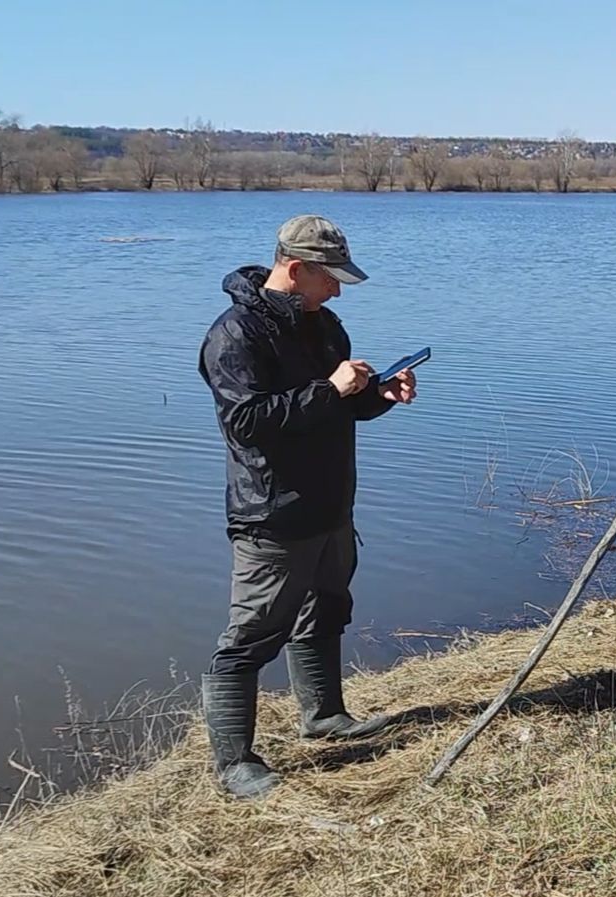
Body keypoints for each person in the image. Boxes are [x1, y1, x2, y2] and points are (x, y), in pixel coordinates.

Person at [196, 214, 417, 799]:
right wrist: (330, 388)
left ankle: (324, 716)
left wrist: (377, 395)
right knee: (251, 635)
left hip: (330, 505)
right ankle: (234, 764)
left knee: (325, 610)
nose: (338, 291)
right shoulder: (235, 335)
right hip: (272, 514)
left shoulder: (325, 325)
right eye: (330, 279)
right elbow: (246, 423)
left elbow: (336, 408)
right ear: (295, 270)